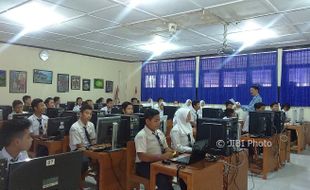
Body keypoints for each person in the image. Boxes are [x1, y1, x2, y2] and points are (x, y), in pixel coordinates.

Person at [134, 109, 186, 190]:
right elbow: (142, 157)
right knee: (162, 178)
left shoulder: (159, 132)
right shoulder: (141, 135)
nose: (159, 123)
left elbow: (165, 148)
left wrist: (171, 152)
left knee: (181, 172)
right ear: (147, 121)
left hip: (159, 162)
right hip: (144, 165)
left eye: (159, 120)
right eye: (156, 121)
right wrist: (162, 157)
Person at [69, 104, 96, 177]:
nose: (89, 115)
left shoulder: (91, 125)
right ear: (80, 114)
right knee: (84, 161)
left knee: (104, 159)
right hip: (77, 151)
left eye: (90, 114)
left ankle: (100, 180)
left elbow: (93, 140)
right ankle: (80, 179)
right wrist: (91, 150)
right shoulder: (75, 127)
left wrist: (95, 148)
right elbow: (79, 146)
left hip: (89, 149)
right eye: (87, 113)